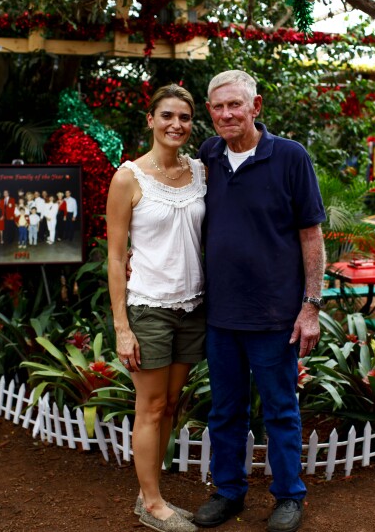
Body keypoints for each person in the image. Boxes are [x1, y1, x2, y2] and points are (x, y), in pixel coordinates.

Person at [194, 70, 325, 532]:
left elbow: (311, 234)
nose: (226, 114)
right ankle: (229, 492)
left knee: (280, 409)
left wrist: (311, 304)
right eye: (218, 106)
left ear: (256, 106)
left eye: (235, 105)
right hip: (222, 314)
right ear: (209, 111)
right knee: (225, 410)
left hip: (275, 315)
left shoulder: (290, 157)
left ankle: (289, 497)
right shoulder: (209, 154)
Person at [106, 84, 205, 532]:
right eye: (167, 115)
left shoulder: (201, 172)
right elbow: (114, 255)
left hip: (193, 306)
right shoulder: (129, 177)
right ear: (150, 120)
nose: (176, 125)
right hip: (149, 306)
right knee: (149, 406)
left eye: (184, 117)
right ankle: (151, 502)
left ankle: (152, 493)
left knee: (169, 405)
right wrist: (122, 327)